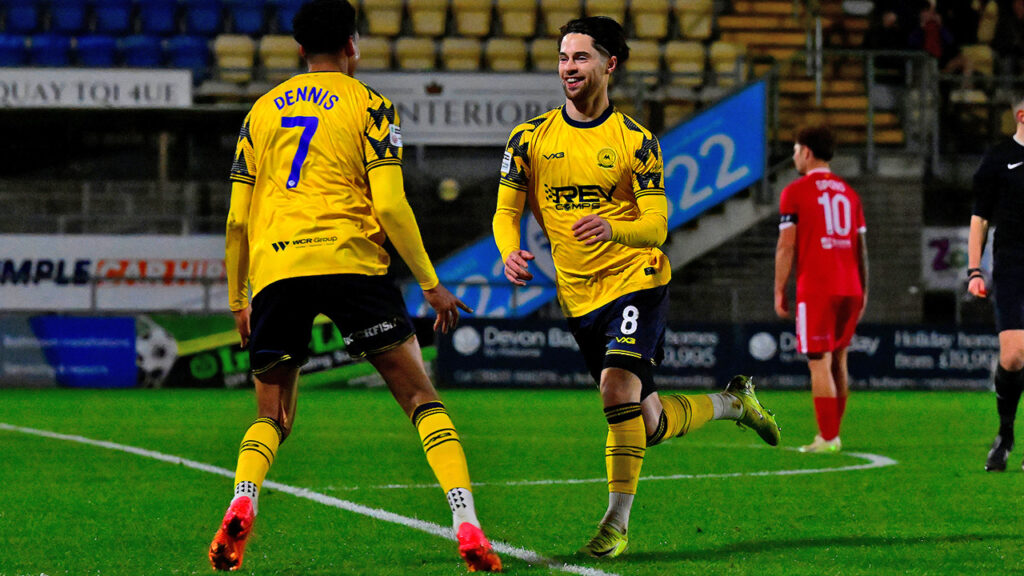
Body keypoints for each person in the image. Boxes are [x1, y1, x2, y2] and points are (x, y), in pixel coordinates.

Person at [209, 0, 502, 571]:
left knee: (272, 418)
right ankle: (466, 521)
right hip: (352, 263)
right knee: (422, 400)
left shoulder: (260, 113)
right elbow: (390, 205)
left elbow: (237, 220)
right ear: (352, 44)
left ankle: (243, 499)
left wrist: (239, 298)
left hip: (278, 271)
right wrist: (431, 283)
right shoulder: (371, 106)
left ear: (300, 49)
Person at [492, 16, 781, 559]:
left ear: (610, 64)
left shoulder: (636, 141)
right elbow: (506, 212)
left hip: (636, 280)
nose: (569, 67)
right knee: (647, 423)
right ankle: (733, 403)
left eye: (580, 57)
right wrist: (509, 250)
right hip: (579, 296)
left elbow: (656, 225)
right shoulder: (529, 138)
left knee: (615, 388)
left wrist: (613, 228)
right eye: (563, 57)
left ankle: (614, 524)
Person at [774, 125, 869, 455]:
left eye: (795, 150)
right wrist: (864, 290)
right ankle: (833, 433)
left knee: (819, 361)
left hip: (818, 287)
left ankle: (827, 437)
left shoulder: (795, 192)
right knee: (839, 360)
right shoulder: (850, 193)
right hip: (851, 286)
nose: (794, 157)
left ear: (807, 152)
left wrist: (779, 289)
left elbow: (786, 246)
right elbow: (861, 248)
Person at [968, 92, 1024, 472]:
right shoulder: (998, 159)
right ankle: (1005, 433)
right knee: (1014, 355)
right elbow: (980, 218)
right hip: (1012, 265)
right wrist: (974, 270)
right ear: (1021, 115)